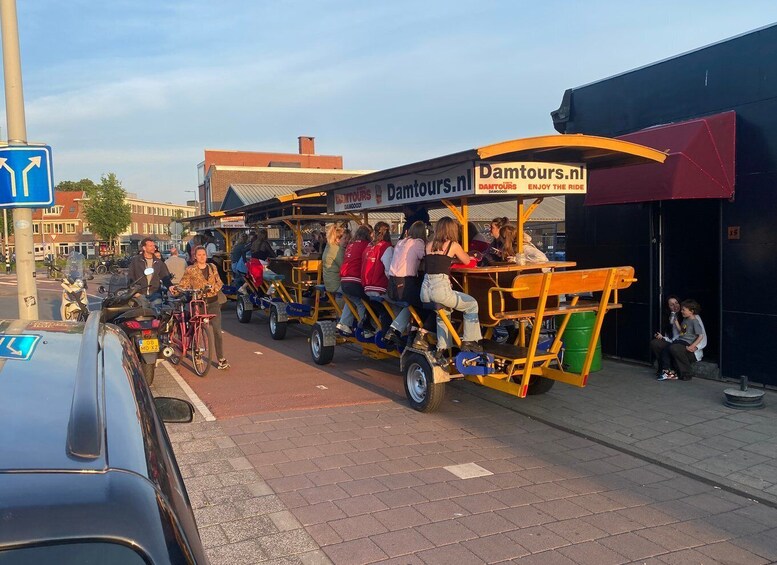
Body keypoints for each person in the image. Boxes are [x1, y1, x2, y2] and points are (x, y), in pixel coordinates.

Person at [421, 217, 482, 353]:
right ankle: (469, 340)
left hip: (425, 292)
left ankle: (442, 348)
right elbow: (466, 261)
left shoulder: (428, 245)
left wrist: (452, 259)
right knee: (472, 304)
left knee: (443, 313)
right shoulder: (452, 245)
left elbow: (438, 259)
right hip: (440, 290)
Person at [170, 245, 230, 370]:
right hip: (198, 303)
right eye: (199, 255)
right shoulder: (191, 270)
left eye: (204, 254)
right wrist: (175, 290)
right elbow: (184, 284)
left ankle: (221, 359)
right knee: (197, 328)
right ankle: (197, 352)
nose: (202, 257)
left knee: (217, 331)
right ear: (195, 257)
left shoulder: (212, 267)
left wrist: (213, 288)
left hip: (213, 302)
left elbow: (219, 281)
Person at [384, 220, 428, 348]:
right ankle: (399, 330)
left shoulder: (401, 242)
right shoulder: (418, 243)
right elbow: (426, 257)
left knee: (417, 302)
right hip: (404, 284)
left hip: (392, 285)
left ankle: (406, 332)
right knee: (423, 303)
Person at [336, 224, 373, 337]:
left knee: (352, 299)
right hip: (355, 281)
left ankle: (344, 323)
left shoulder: (351, 245)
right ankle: (366, 329)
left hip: (344, 281)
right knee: (365, 302)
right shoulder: (367, 245)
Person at [658, 299, 705, 381]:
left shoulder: (695, 321)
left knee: (670, 348)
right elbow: (682, 332)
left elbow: (701, 336)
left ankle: (673, 372)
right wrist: (676, 322)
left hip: (686, 342)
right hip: (681, 339)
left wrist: (693, 346)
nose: (682, 311)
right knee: (666, 349)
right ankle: (667, 371)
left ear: (691, 311)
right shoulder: (685, 319)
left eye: (684, 310)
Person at [362, 221, 395, 331]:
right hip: (379, 287)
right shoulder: (386, 247)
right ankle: (389, 334)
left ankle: (372, 328)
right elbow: (388, 270)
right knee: (396, 307)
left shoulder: (369, 246)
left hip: (367, 287)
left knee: (377, 307)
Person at [128, 237, 171, 307]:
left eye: (154, 246)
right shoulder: (136, 261)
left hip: (155, 293)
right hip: (140, 293)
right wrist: (134, 292)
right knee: (143, 313)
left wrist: (171, 287)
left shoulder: (159, 262)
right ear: (144, 248)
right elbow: (130, 277)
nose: (153, 247)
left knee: (157, 311)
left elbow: (165, 278)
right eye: (150, 246)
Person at [650, 295, 682, 376]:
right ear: (668, 307)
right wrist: (662, 337)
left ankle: (670, 369)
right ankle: (663, 369)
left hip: (681, 343)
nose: (675, 306)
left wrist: (676, 322)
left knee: (670, 348)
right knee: (655, 343)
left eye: (676, 303)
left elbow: (685, 334)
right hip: (671, 341)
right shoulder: (669, 316)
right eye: (671, 305)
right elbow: (670, 337)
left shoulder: (685, 316)